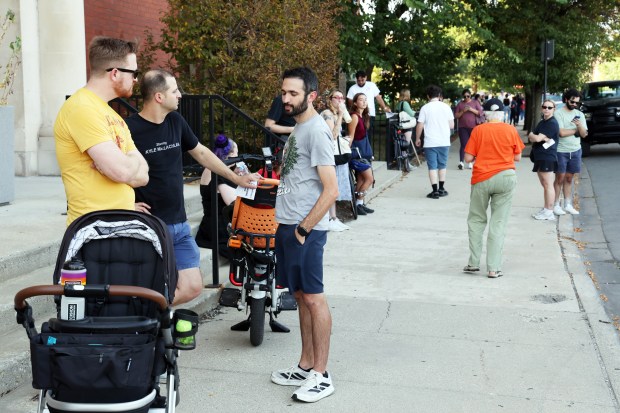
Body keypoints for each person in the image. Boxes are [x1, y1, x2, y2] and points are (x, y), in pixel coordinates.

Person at [126, 69, 260, 306]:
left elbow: (201, 152)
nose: (180, 95)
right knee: (154, 283)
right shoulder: (129, 129)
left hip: (179, 223)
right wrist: (126, 203)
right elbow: (109, 171)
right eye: (174, 90)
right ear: (159, 96)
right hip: (151, 225)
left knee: (192, 286)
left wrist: (235, 177)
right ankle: (146, 323)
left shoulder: (175, 121)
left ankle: (145, 313)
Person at [270, 66, 338, 403]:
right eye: (284, 92)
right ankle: (305, 364)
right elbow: (297, 179)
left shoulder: (316, 131)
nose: (286, 98)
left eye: (293, 93)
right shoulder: (297, 130)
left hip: (304, 230)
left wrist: (302, 229)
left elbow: (331, 189)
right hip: (287, 225)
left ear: (311, 95)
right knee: (299, 297)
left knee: (314, 297)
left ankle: (322, 374)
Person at [54, 36, 149, 225]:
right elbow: (123, 172)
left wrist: (119, 166)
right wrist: (126, 165)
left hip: (118, 225)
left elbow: (144, 176)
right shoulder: (81, 108)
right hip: (94, 229)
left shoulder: (112, 115)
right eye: (134, 73)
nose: (136, 79)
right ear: (115, 73)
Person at [462, 101, 525, 278]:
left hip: (482, 178)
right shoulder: (510, 130)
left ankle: (473, 263)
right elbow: (518, 157)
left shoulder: (478, 130)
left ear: (485, 113)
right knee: (498, 222)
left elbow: (467, 158)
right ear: (503, 114)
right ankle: (493, 268)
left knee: (476, 219)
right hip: (506, 177)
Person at [195, 134, 239, 257]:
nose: (237, 157)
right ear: (230, 155)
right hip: (218, 227)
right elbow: (233, 202)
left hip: (213, 221)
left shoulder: (211, 168)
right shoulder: (217, 172)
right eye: (236, 153)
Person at [415, 85, 454, 199]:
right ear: (439, 96)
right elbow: (452, 125)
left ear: (428, 96)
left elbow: (420, 125)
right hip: (444, 141)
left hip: (430, 142)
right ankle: (442, 189)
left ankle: (435, 190)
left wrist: (418, 138)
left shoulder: (425, 108)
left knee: (432, 166)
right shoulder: (446, 107)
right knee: (442, 165)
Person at [552, 88, 588, 216]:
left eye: (577, 103)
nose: (574, 105)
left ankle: (567, 204)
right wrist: (575, 131)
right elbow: (561, 133)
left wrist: (579, 126)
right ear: (566, 99)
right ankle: (556, 204)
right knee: (559, 178)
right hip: (561, 151)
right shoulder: (559, 113)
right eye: (572, 102)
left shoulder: (580, 114)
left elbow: (584, 134)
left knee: (569, 178)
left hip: (575, 150)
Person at [320, 89, 351, 231]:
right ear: (330, 99)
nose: (340, 100)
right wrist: (339, 116)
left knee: (333, 186)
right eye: (336, 97)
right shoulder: (327, 114)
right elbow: (332, 136)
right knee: (328, 186)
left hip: (333, 154)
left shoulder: (335, 114)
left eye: (341, 98)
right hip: (327, 155)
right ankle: (327, 218)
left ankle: (333, 217)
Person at [529, 100, 560, 221]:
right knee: (544, 184)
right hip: (540, 156)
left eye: (549, 107)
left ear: (554, 109)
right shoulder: (543, 122)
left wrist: (535, 136)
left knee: (548, 184)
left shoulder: (551, 123)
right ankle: (546, 208)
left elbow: (536, 138)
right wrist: (535, 136)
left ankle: (549, 211)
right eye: (544, 107)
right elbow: (533, 137)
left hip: (547, 156)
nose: (546, 109)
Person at [347, 93, 375, 215]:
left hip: (364, 153)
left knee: (361, 179)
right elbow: (351, 136)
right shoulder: (354, 117)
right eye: (361, 100)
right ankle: (358, 202)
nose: (364, 102)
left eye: (365, 99)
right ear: (354, 103)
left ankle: (360, 204)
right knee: (369, 179)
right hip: (357, 154)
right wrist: (347, 153)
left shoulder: (362, 116)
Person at [346, 70, 391, 140]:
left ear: (366, 78)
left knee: (367, 135)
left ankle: (366, 149)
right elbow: (349, 101)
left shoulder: (371, 85)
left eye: (362, 80)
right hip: (358, 115)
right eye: (358, 80)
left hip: (370, 114)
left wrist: (384, 107)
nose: (360, 82)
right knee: (358, 134)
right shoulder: (352, 88)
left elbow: (378, 97)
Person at [454, 89, 484, 170]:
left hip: (474, 127)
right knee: (464, 144)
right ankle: (461, 162)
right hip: (462, 127)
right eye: (465, 96)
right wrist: (463, 111)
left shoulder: (475, 103)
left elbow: (480, 113)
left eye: (468, 96)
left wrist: (470, 109)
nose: (466, 97)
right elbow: (456, 116)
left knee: (472, 145)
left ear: (470, 95)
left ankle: (470, 162)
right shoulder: (460, 104)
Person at [396, 89, 417, 169]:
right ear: (406, 95)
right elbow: (411, 113)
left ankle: (405, 163)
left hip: (401, 125)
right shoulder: (405, 103)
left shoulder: (399, 104)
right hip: (407, 126)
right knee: (406, 145)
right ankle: (407, 164)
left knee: (402, 145)